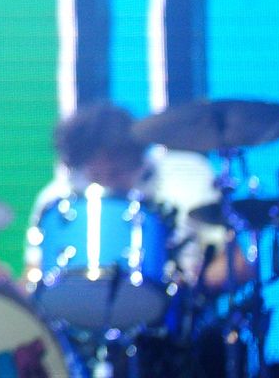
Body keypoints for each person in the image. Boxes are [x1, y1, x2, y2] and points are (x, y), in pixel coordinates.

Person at [24, 101, 241, 292]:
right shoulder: (58, 197)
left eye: (116, 172)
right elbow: (35, 275)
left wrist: (197, 286)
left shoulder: (186, 176)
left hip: (180, 323)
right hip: (76, 325)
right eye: (96, 175)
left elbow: (238, 263)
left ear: (137, 156)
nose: (106, 182)